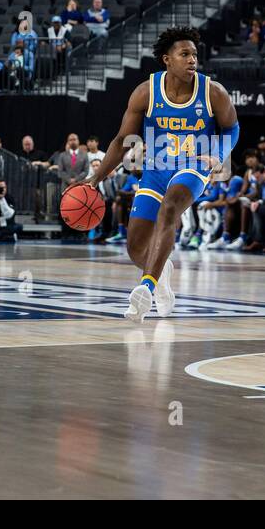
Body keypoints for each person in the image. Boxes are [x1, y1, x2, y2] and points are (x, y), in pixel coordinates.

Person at [75, 27, 238, 322]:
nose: (192, 60)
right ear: (167, 59)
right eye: (184, 54)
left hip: (194, 164)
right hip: (157, 168)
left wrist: (218, 154)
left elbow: (232, 128)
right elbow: (122, 140)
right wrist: (96, 178)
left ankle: (146, 288)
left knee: (171, 206)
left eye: (195, 55)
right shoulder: (145, 92)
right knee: (136, 246)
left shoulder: (212, 91)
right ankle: (161, 275)